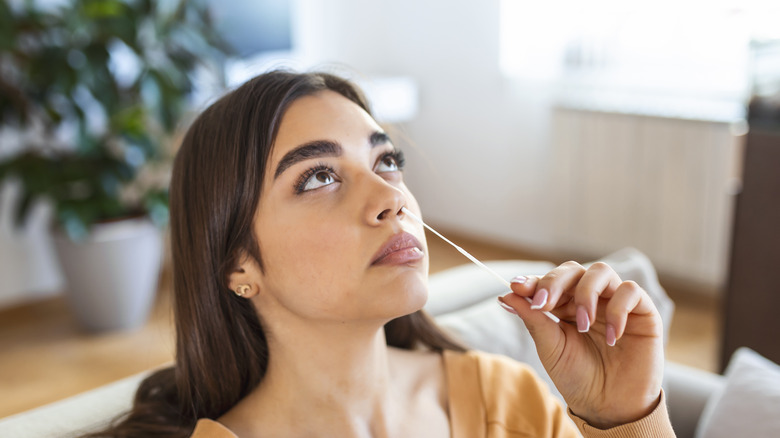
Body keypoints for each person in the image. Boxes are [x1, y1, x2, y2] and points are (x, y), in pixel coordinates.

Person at [87, 71, 675, 437]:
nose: (390, 197)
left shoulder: (507, 402)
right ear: (238, 265)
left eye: (386, 161)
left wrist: (625, 418)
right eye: (318, 176)